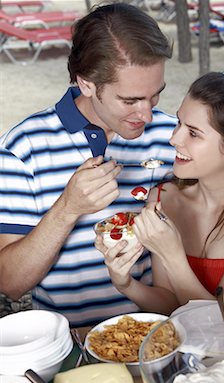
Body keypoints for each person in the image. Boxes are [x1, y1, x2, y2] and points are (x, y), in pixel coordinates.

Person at [0, 3, 177, 327]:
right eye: (130, 100)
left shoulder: (173, 136)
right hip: (70, 342)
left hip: (156, 333)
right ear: (86, 84)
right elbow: (10, 283)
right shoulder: (21, 148)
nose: (147, 116)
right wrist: (68, 208)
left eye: (155, 96)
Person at [95, 70, 224, 315]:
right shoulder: (163, 198)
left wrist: (172, 254)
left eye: (193, 133)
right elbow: (172, 304)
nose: (174, 139)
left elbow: (223, 325)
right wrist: (125, 283)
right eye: (179, 123)